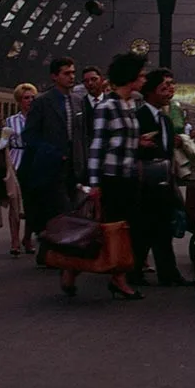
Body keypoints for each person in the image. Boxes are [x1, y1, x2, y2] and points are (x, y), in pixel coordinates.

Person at [75, 52, 154, 301]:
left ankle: (96, 272)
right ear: (130, 77)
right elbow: (98, 146)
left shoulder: (131, 105)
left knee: (123, 229)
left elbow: (122, 140)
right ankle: (113, 278)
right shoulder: (106, 107)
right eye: (140, 76)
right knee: (110, 229)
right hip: (112, 178)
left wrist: (138, 142)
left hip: (129, 176)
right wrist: (95, 183)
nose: (143, 80)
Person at [21, 57, 83, 264]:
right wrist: (53, 152)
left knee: (67, 210)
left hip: (74, 165)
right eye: (67, 73)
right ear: (54, 76)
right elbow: (29, 135)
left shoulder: (78, 102)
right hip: (51, 164)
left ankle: (47, 253)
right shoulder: (42, 102)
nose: (72, 77)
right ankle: (63, 257)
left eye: (73, 72)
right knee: (60, 209)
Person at [133, 68, 190, 287]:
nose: (170, 90)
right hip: (145, 184)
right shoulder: (140, 117)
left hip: (164, 182)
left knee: (162, 230)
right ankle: (135, 271)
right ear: (150, 92)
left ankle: (168, 273)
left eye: (172, 84)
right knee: (144, 230)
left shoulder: (165, 120)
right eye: (164, 86)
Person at [0, 82, 35, 256]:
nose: (29, 101)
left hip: (34, 161)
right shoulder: (11, 121)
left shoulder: (39, 117)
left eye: (32, 97)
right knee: (15, 204)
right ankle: (14, 240)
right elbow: (3, 144)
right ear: (19, 101)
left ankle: (27, 238)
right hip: (15, 162)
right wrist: (2, 139)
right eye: (25, 98)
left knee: (31, 204)